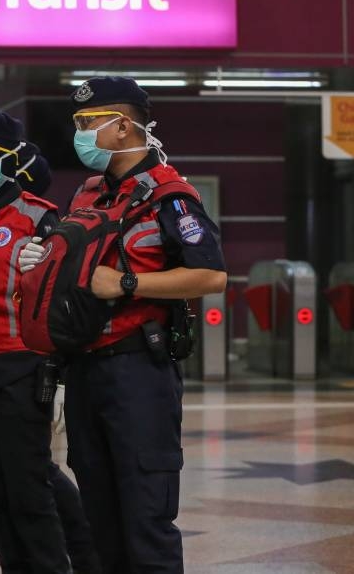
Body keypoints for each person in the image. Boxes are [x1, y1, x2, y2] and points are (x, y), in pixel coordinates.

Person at [21, 76, 227, 574]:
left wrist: (128, 284)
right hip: (87, 368)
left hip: (138, 372)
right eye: (78, 123)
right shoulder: (90, 192)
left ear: (122, 125)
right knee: (99, 519)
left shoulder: (169, 195)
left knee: (145, 518)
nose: (82, 133)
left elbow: (211, 275)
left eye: (90, 122)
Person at [0, 113, 99, 574]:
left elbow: (60, 301)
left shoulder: (41, 216)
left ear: (12, 156)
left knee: (30, 489)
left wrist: (61, 375)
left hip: (22, 369)